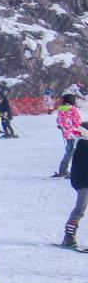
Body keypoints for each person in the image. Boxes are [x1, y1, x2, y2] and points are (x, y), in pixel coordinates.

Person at [63, 105, 88, 249]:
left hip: (82, 180)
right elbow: (80, 168)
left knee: (80, 209)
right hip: (83, 182)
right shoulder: (83, 146)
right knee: (80, 209)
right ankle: (69, 235)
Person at [56, 93, 82, 179]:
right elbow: (77, 121)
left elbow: (58, 121)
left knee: (69, 150)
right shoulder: (73, 109)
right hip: (75, 133)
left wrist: (61, 126)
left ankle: (62, 169)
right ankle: (69, 170)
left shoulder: (61, 109)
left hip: (66, 134)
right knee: (72, 151)